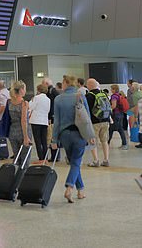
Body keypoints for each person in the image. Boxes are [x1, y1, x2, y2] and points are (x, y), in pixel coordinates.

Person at [52, 75, 96, 203]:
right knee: (76, 163)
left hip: (65, 135)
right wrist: (91, 136)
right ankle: (69, 188)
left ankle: (80, 190)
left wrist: (54, 140)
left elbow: (57, 122)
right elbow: (87, 118)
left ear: (66, 83)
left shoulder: (58, 99)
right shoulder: (80, 96)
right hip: (79, 134)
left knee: (73, 163)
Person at [85, 78, 111, 167]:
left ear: (89, 86)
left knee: (93, 141)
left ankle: (96, 160)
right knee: (104, 141)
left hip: (94, 122)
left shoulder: (89, 95)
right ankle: (106, 159)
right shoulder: (104, 93)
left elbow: (86, 110)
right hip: (105, 120)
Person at [7, 81, 33, 167]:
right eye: (24, 89)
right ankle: (23, 178)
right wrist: (26, 137)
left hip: (12, 131)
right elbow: (24, 121)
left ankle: (15, 177)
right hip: (22, 132)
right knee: (25, 158)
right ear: (21, 90)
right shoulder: (24, 103)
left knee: (16, 157)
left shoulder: (10, 102)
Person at [29, 83, 51, 161]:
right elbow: (48, 110)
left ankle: (40, 157)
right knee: (44, 140)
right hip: (44, 121)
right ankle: (46, 156)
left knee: (37, 140)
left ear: (38, 90)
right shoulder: (48, 99)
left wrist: (31, 101)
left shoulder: (36, 98)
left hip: (35, 121)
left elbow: (30, 107)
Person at [108, 84, 128, 150]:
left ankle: (107, 143)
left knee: (113, 129)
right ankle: (124, 144)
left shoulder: (114, 96)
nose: (111, 90)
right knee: (118, 129)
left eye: (111, 89)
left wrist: (108, 108)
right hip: (120, 114)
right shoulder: (119, 95)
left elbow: (113, 106)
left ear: (114, 89)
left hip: (116, 114)